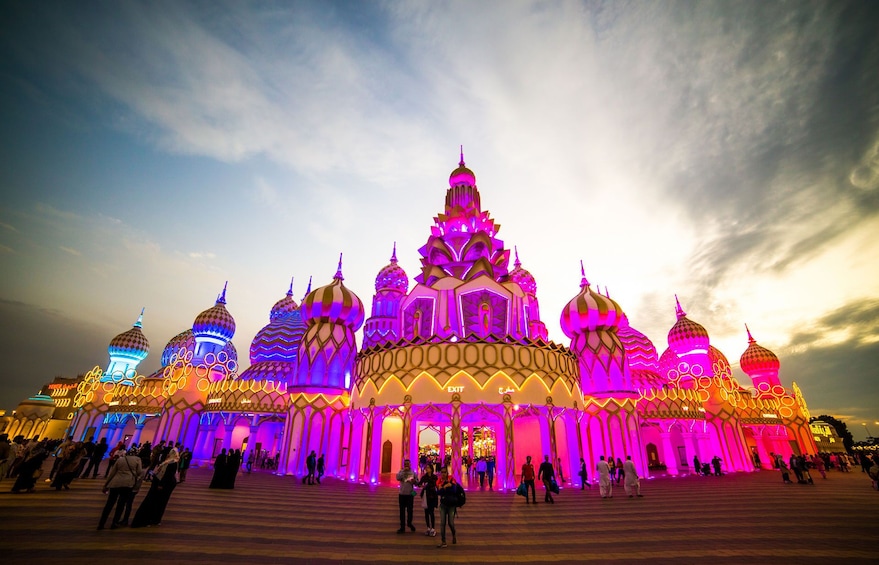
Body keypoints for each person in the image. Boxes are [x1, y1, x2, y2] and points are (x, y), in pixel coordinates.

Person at [131, 448, 179, 528]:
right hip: (161, 485)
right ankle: (151, 519)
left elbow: (165, 474)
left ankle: (149, 519)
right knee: (157, 502)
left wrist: (160, 483)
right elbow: (167, 474)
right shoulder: (170, 462)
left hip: (160, 485)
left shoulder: (168, 462)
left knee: (154, 502)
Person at [98, 449, 142, 529]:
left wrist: (106, 485)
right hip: (128, 484)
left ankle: (101, 523)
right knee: (121, 504)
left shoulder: (120, 459)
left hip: (116, 482)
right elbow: (139, 472)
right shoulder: (137, 460)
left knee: (109, 504)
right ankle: (114, 523)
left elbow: (112, 473)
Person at [436, 468, 464, 549]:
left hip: (452, 505)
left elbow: (454, 490)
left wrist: (447, 486)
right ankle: (443, 541)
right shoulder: (438, 481)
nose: (443, 474)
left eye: (445, 472)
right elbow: (438, 492)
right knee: (442, 523)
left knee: (451, 523)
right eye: (442, 472)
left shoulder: (451, 479)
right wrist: (446, 486)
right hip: (443, 505)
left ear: (447, 473)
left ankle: (454, 534)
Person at [395, 458, 417, 533]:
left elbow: (417, 482)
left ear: (410, 464)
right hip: (402, 494)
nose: (407, 465)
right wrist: (403, 471)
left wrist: (414, 481)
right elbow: (397, 478)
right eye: (405, 464)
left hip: (410, 495)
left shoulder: (413, 472)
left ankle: (409, 523)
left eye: (408, 463)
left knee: (410, 510)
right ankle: (402, 527)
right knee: (402, 511)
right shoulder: (401, 471)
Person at [418, 464, 439, 537]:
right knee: (426, 513)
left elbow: (436, 485)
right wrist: (421, 485)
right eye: (426, 468)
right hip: (426, 496)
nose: (427, 469)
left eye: (428, 468)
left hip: (432, 496)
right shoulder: (424, 477)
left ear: (431, 469)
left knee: (431, 512)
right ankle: (428, 527)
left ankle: (433, 528)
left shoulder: (434, 477)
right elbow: (419, 484)